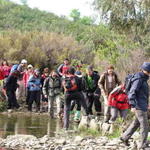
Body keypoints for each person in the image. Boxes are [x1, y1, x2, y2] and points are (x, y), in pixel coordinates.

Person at [120, 62, 150, 149]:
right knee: (145, 125)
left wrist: (147, 104)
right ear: (147, 70)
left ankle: (124, 137)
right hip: (138, 106)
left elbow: (143, 94)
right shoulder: (139, 79)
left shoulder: (143, 78)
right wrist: (133, 105)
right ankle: (143, 144)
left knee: (136, 123)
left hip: (142, 105)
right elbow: (132, 93)